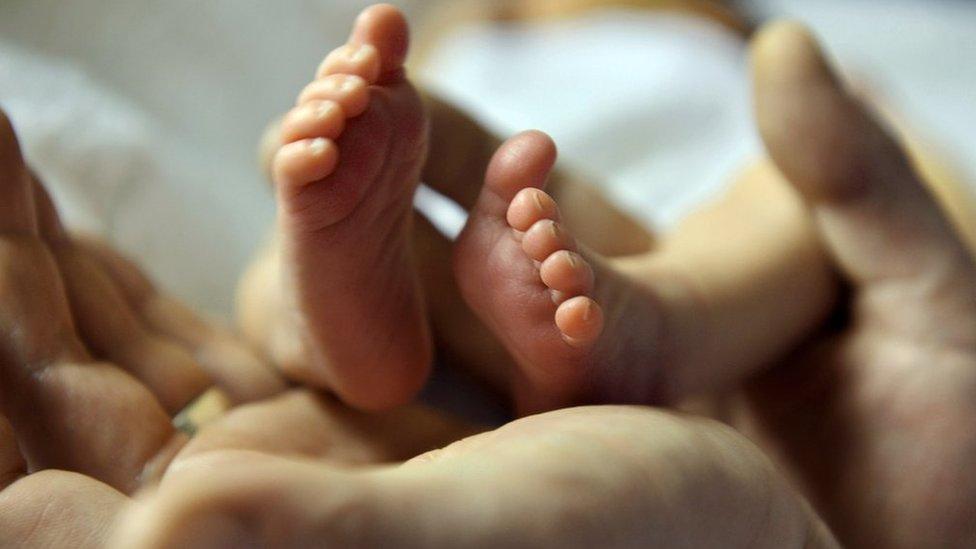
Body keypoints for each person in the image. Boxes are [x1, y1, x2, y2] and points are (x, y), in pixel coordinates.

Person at [1, 4, 974, 548]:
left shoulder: (733, 50)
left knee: (786, 202)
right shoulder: (476, 35)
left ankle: (662, 320)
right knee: (289, 269)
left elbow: (911, 181)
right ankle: (340, 320)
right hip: (474, 246)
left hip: (673, 226)